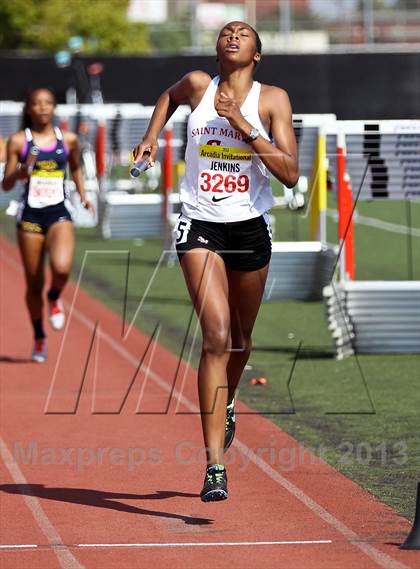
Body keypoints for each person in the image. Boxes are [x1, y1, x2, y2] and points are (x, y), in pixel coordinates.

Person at [133, 21, 299, 502]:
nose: (232, 36)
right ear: (216, 46)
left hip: (250, 226)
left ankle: (226, 404)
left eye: (243, 33)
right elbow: (167, 97)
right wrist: (151, 137)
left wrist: (244, 126)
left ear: (257, 54)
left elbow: (289, 173)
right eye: (226, 32)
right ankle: (215, 466)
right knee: (216, 337)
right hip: (199, 222)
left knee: (242, 340)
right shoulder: (198, 86)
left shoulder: (273, 99)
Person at [2, 88, 93, 362]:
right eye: (36, 103)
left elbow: (75, 167)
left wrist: (83, 194)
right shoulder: (19, 141)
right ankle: (39, 337)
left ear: (54, 108)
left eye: (48, 103)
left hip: (59, 212)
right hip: (29, 216)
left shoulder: (69, 139)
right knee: (33, 282)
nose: (42, 108)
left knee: (62, 267)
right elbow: (5, 183)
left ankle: (54, 296)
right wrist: (21, 171)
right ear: (29, 109)